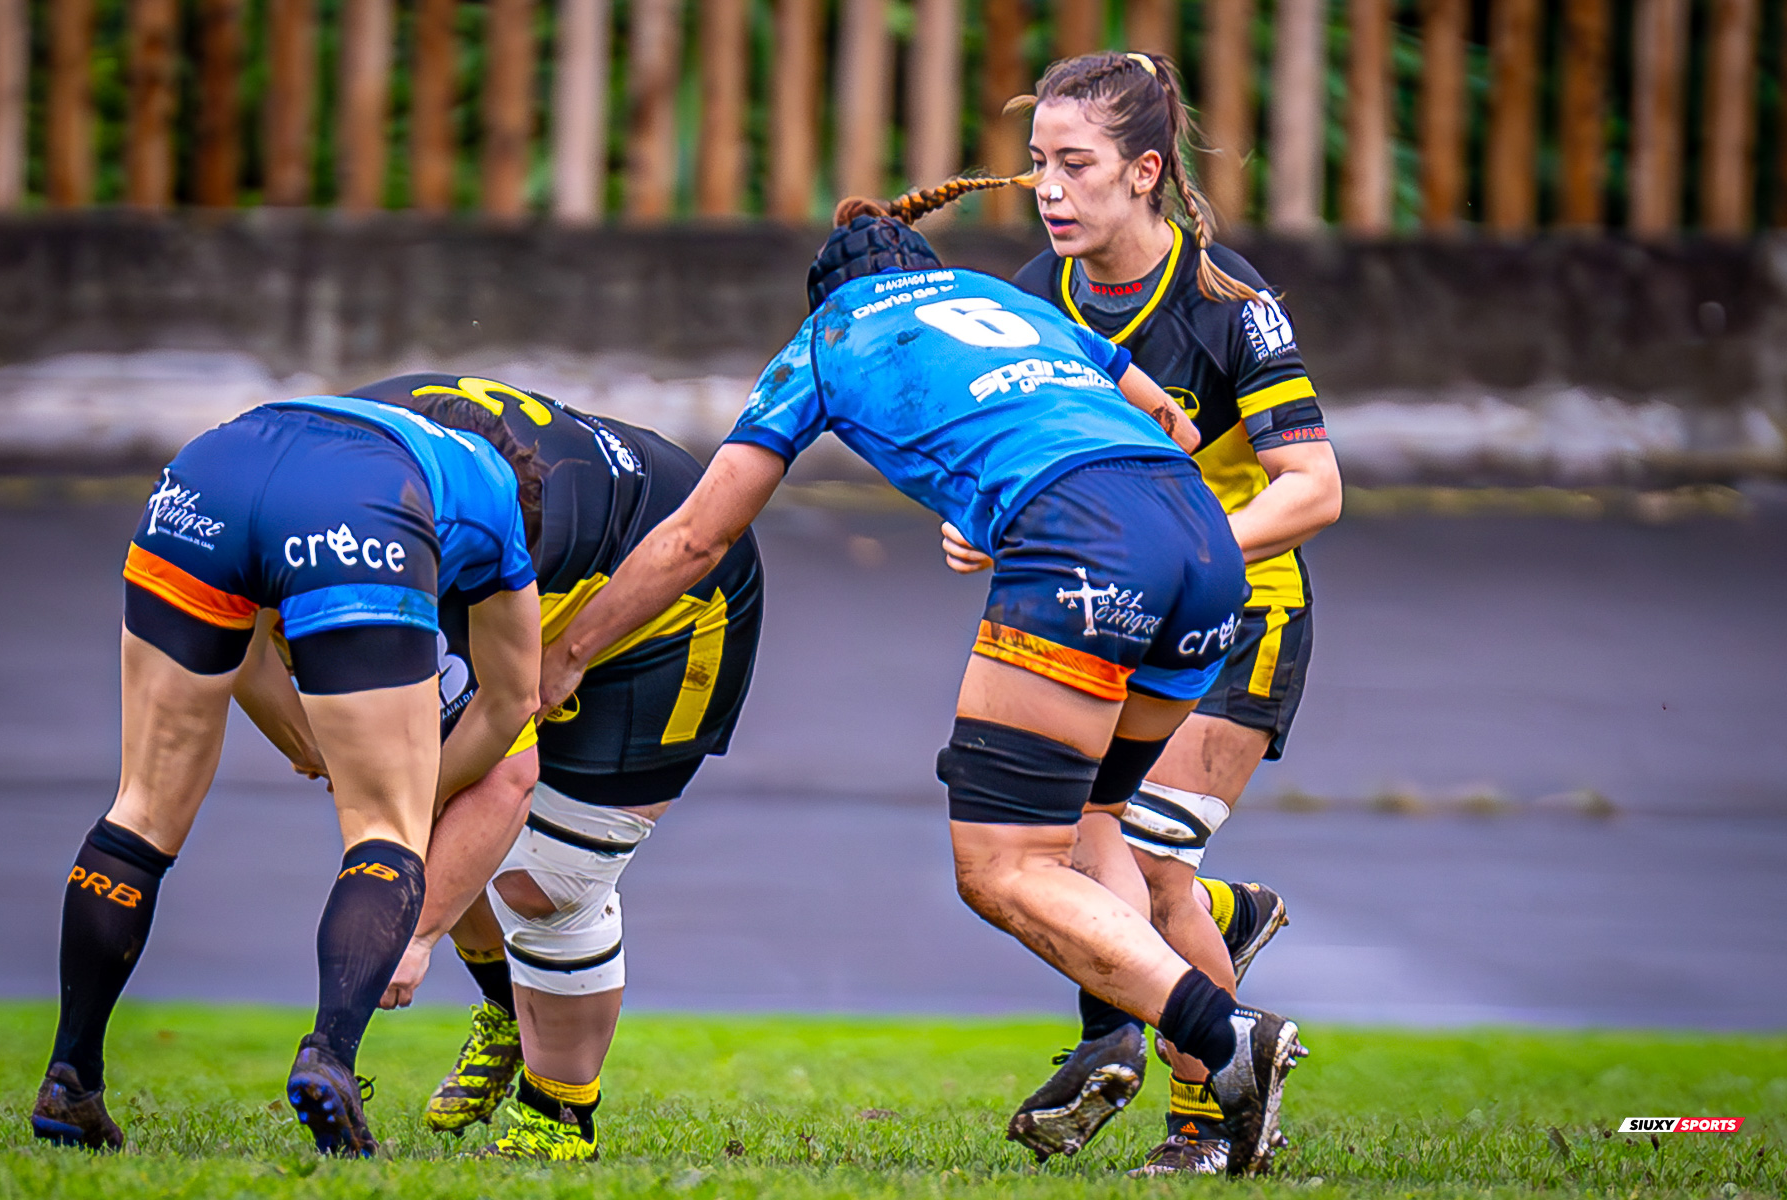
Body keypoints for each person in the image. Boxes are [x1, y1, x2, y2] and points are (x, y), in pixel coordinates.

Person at [532, 191, 1308, 1177]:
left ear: (831, 292)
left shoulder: (829, 335)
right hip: (1201, 541)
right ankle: (1177, 1079)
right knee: (1093, 826)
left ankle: (1227, 1031)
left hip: (1083, 544)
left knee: (1003, 867)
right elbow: (1170, 420)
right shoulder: (1004, 297)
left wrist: (567, 654)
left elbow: (697, 534)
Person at [943, 50, 1343, 1176]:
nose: (1050, 189)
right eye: (1037, 166)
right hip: (1116, 618)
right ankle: (1211, 945)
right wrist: (986, 520)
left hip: (1244, 615)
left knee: (1145, 864)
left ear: (1146, 171)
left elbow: (1315, 490)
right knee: (1083, 852)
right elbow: (1026, 463)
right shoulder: (1033, 298)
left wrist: (1179, 548)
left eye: (1076, 165)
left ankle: (1208, 1122)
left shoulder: (1231, 304)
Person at [30, 392, 543, 1157]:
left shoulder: (367, 417)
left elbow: (245, 643)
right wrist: (409, 794)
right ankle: (329, 1059)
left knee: (140, 812)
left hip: (208, 470)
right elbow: (511, 702)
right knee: (382, 833)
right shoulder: (498, 496)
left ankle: (71, 1076)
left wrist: (304, 741)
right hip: (361, 506)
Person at [344, 375, 765, 1163]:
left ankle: (558, 1118)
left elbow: (513, 760)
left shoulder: (518, 524)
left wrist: (414, 929)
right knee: (438, 813)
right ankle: (511, 1008)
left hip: (674, 614)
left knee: (545, 884)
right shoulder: (348, 460)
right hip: (542, 594)